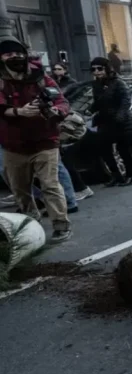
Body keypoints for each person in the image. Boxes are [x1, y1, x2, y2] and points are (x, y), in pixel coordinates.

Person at [0, 36, 72, 242]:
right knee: (20, 190)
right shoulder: (1, 80)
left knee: (50, 185)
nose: (15, 57)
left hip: (45, 141)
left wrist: (56, 110)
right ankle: (30, 224)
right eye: (8, 54)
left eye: (18, 53)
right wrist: (19, 112)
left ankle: (61, 224)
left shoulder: (40, 77)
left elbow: (62, 101)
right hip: (14, 145)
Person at [90, 57, 132, 186]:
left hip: (121, 122)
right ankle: (116, 176)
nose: (97, 71)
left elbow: (125, 101)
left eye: (99, 68)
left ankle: (131, 176)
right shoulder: (96, 84)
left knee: (124, 150)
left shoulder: (118, 83)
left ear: (106, 68)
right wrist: (91, 109)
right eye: (93, 69)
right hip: (105, 120)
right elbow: (98, 102)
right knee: (104, 149)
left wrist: (120, 116)